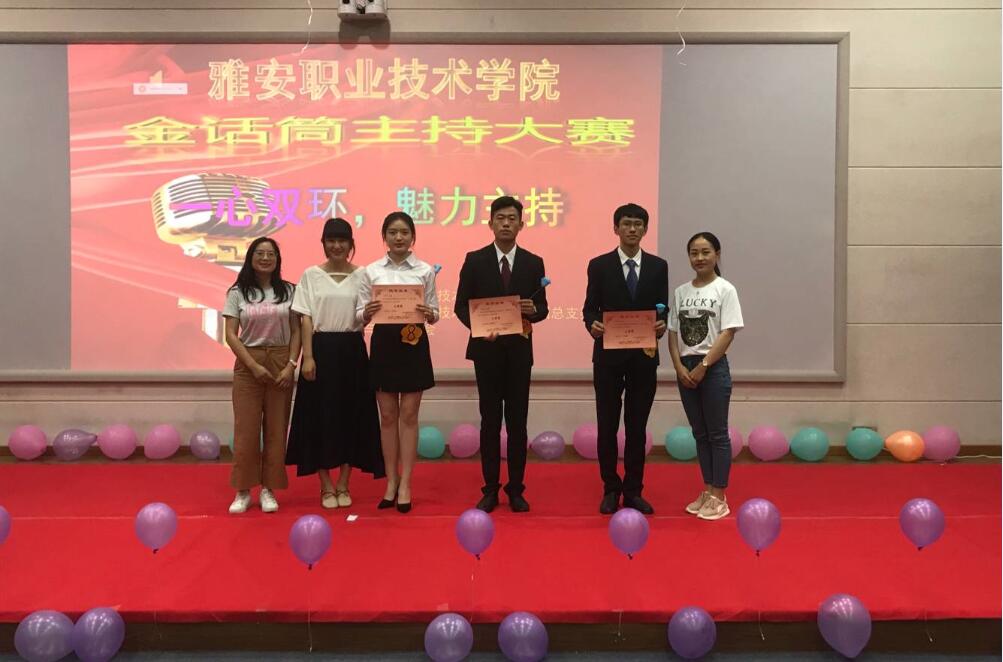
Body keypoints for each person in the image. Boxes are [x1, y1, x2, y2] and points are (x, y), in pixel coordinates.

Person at [454, 196, 549, 513]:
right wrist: (479, 327)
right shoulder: (475, 260)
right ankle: (490, 489)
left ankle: (516, 489)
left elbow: (543, 308)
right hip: (487, 352)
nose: (506, 223)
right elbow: (460, 306)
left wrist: (533, 310)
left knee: (518, 423)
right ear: (491, 223)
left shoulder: (533, 262)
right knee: (490, 422)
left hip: (519, 353)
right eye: (500, 218)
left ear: (521, 224)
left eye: (512, 218)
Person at [285, 218, 385, 509]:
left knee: (352, 416)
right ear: (324, 243)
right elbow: (305, 318)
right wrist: (308, 356)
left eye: (342, 241)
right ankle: (326, 486)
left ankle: (343, 483)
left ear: (351, 244)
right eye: (331, 240)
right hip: (320, 350)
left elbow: (362, 315)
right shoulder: (311, 275)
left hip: (353, 351)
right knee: (319, 417)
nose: (337, 246)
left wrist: (370, 313)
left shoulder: (363, 275)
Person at [583, 203, 668, 515]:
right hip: (608, 358)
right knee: (607, 426)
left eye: (638, 224)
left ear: (645, 229)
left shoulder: (658, 266)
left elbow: (662, 308)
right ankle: (610, 488)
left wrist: (662, 324)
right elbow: (590, 308)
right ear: (616, 228)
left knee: (637, 427)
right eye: (626, 224)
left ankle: (633, 490)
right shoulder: (599, 265)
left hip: (643, 358)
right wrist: (592, 324)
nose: (632, 229)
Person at [357, 211, 439, 514]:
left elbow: (435, 313)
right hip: (384, 344)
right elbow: (358, 315)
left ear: (413, 236)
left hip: (413, 343)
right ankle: (390, 481)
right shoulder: (371, 271)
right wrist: (367, 312)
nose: (399, 237)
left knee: (409, 415)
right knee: (388, 416)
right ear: (384, 237)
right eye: (392, 232)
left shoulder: (424, 270)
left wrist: (429, 313)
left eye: (404, 232)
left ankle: (406, 484)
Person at [667, 231, 744, 521]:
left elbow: (728, 332)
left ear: (717, 254)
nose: (699, 258)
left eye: (705, 252)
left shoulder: (725, 289)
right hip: (685, 368)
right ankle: (708, 489)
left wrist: (704, 366)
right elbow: (673, 333)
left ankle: (720, 496)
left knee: (717, 434)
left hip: (712, 368)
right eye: (694, 253)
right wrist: (678, 367)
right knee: (699, 433)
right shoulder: (681, 291)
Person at [223, 237, 300, 514]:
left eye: (271, 254)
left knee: (277, 429)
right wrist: (253, 365)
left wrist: (291, 365)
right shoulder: (237, 292)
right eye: (260, 253)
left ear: (278, 260)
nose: (265, 258)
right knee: (246, 430)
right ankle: (243, 490)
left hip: (281, 360)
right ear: (250, 257)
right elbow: (231, 335)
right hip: (248, 362)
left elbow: (297, 331)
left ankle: (269, 489)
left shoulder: (289, 290)